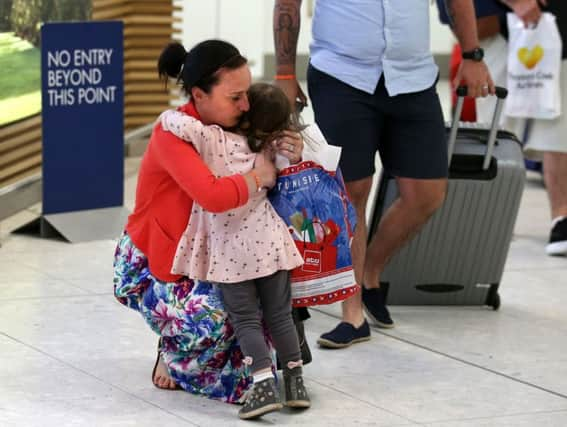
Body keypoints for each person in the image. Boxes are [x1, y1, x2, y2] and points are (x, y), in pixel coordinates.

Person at [273, 0, 494, 348]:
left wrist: (473, 55)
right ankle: (353, 313)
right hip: (341, 75)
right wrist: (285, 73)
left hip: (413, 76)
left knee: (427, 193)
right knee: (352, 192)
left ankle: (369, 272)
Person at [113, 39, 304, 403]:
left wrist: (288, 152)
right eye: (235, 97)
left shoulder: (234, 121)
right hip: (162, 262)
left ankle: (194, 351)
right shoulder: (174, 131)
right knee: (216, 316)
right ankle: (171, 347)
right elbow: (213, 196)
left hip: (220, 250)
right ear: (199, 95)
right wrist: (259, 176)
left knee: (256, 330)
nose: (246, 105)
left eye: (247, 93)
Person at [158, 81, 310, 419]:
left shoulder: (216, 141)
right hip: (271, 243)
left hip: (231, 252)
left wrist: (170, 114)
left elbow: (178, 123)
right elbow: (296, 164)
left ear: (244, 113)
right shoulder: (272, 148)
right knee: (280, 316)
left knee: (245, 320)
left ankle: (263, 385)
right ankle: (295, 382)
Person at [473, 0, 567, 256]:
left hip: (552, 18)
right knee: (496, 125)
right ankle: (490, 218)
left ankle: (562, 217)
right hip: (494, 18)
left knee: (558, 120)